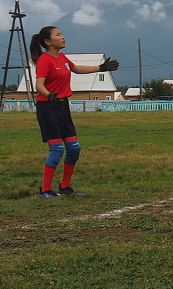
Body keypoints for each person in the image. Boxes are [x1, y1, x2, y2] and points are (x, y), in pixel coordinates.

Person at [30, 26, 119, 198]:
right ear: (48, 42)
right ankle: (45, 191)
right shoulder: (44, 60)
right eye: (58, 35)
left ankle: (65, 187)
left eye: (61, 33)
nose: (63, 37)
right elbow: (39, 85)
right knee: (57, 150)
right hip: (47, 107)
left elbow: (76, 69)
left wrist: (101, 67)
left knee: (74, 148)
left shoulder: (62, 57)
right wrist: (49, 96)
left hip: (62, 106)